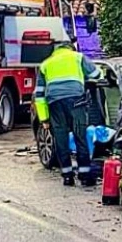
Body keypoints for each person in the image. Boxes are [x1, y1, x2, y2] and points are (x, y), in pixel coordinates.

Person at [34, 38, 102, 187]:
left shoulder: (46, 64)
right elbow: (97, 74)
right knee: (80, 137)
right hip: (76, 101)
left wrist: (44, 119)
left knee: (61, 139)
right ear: (71, 48)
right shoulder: (77, 57)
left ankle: (67, 176)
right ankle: (84, 176)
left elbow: (38, 95)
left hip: (55, 104)